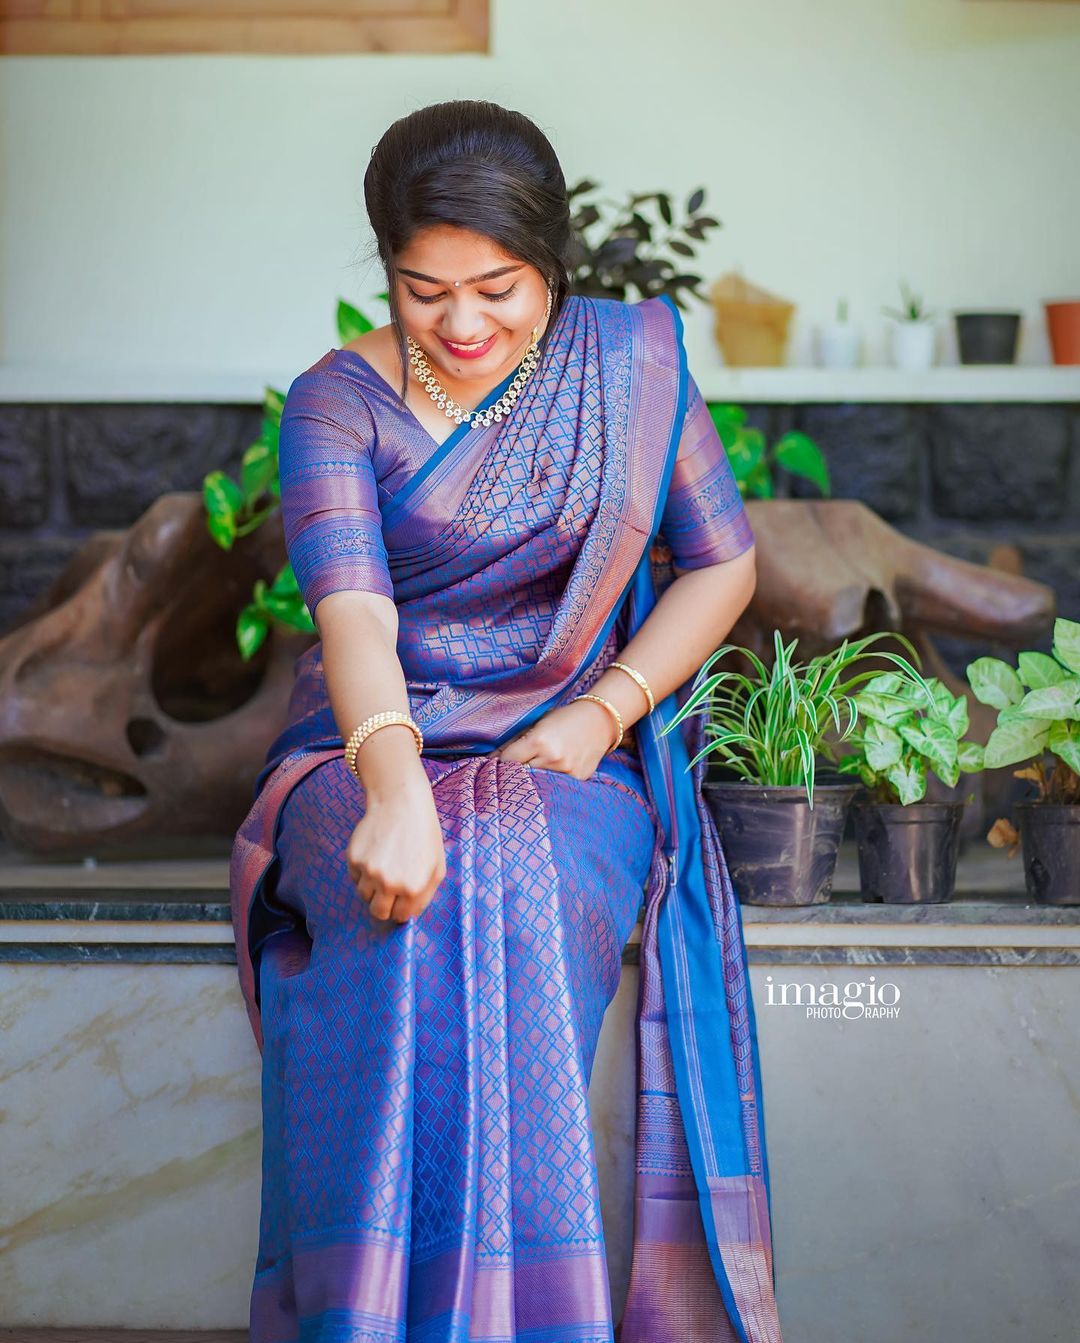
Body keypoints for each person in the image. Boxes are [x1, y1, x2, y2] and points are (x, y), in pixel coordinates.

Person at [230, 99, 783, 1343]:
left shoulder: (627, 363)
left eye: (499, 287)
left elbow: (723, 565)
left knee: (513, 867)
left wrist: (603, 713)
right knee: (413, 896)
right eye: (424, 291)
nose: (464, 325)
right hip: (359, 749)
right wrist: (392, 785)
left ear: (555, 267)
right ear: (386, 269)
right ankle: (367, 1317)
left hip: (565, 750)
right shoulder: (335, 404)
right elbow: (355, 619)